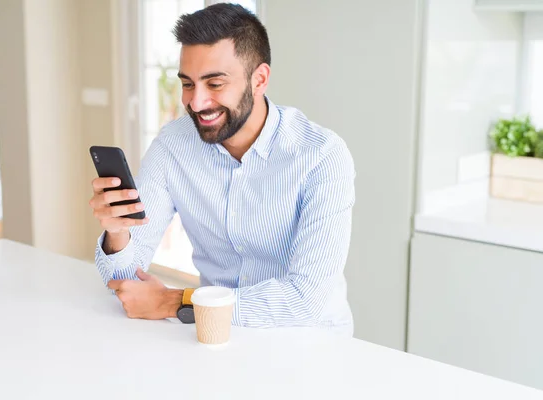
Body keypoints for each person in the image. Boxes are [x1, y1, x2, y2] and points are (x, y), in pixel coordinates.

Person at [89, 3, 356, 333]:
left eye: (214, 84)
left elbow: (304, 299)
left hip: (308, 340)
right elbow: (125, 285)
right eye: (188, 84)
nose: (197, 103)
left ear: (259, 79)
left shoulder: (321, 156)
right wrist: (117, 232)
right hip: (215, 337)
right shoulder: (173, 145)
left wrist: (175, 301)